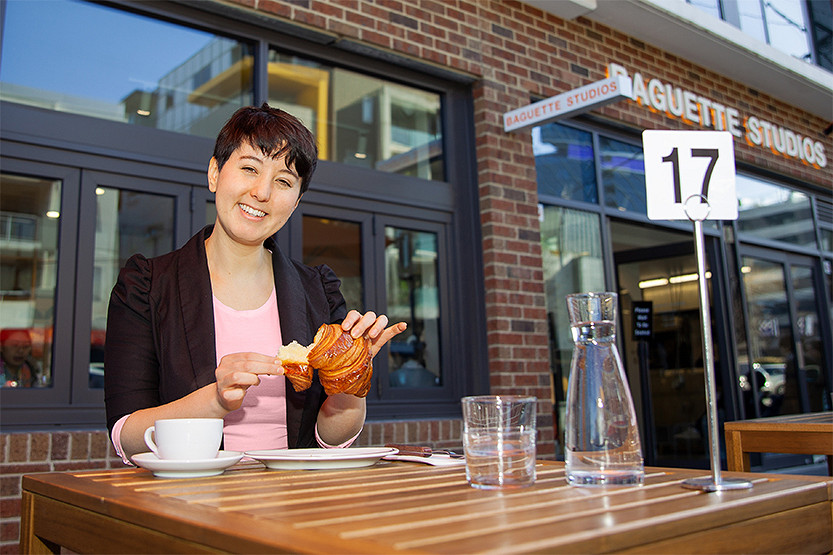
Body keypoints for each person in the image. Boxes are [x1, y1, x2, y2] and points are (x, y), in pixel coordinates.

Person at [104, 104, 407, 462]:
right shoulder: (147, 285)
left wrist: (351, 379)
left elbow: (330, 439)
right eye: (249, 168)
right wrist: (216, 400)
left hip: (293, 502)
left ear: (295, 202)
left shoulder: (319, 290)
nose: (262, 192)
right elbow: (126, 437)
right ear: (215, 173)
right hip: (187, 502)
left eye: (283, 181)